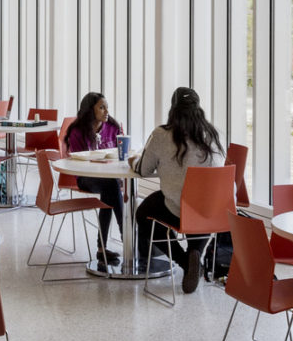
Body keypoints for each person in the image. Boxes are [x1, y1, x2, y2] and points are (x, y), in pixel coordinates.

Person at [132, 87, 228, 293]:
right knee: (201, 205)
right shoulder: (212, 134)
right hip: (212, 211)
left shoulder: (162, 134)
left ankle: (184, 261)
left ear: (173, 109)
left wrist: (134, 161)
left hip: (177, 209)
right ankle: (195, 252)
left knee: (143, 213)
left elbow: (143, 170)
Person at [65, 92, 125, 269]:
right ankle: (127, 239)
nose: (106, 111)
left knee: (110, 190)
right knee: (111, 188)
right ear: (90, 110)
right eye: (101, 107)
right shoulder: (77, 132)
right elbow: (76, 162)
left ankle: (102, 248)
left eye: (107, 106)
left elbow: (121, 154)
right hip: (86, 178)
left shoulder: (113, 127)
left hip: (109, 178)